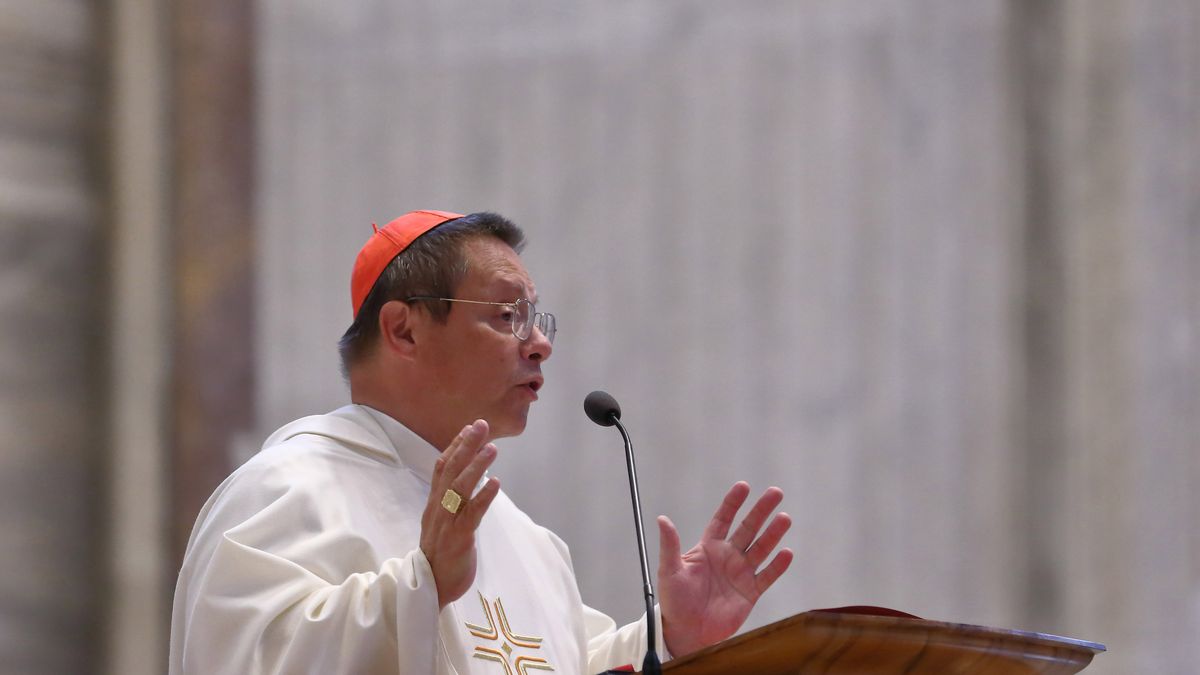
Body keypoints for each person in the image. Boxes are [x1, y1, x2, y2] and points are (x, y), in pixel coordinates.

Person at [169, 210, 794, 674]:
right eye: (506, 316)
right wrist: (422, 584)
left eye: (536, 318)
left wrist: (670, 640)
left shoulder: (526, 541)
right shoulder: (285, 491)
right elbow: (244, 662)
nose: (539, 344)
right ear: (404, 330)